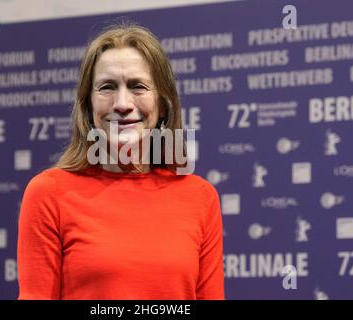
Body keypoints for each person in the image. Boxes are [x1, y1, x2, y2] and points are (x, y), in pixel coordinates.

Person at [17, 22, 225, 300]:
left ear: (163, 105)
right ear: (88, 106)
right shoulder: (48, 193)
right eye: (107, 87)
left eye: (138, 86)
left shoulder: (200, 197)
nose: (123, 103)